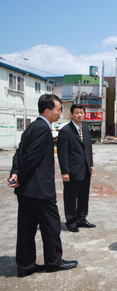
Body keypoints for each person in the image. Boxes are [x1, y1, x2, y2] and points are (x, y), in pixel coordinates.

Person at [6, 94, 77, 277]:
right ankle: (53, 262)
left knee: (26, 230)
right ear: (47, 111)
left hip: (26, 191)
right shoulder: (43, 129)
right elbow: (30, 158)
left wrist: (15, 172)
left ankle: (26, 265)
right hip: (39, 190)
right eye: (58, 109)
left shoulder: (32, 127)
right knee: (52, 226)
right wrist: (19, 175)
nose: (61, 112)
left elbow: (19, 153)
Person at [57, 104, 95, 233]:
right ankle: (71, 221)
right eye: (77, 113)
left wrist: (91, 164)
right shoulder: (65, 131)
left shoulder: (85, 129)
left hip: (85, 169)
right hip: (72, 170)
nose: (80, 115)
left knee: (84, 196)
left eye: (82, 113)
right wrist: (65, 171)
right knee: (71, 197)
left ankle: (81, 219)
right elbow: (63, 153)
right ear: (71, 114)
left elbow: (88, 148)